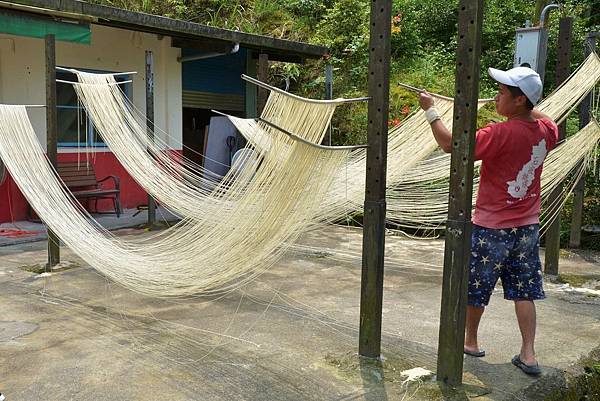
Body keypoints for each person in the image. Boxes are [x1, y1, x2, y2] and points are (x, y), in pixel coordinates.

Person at [419, 66, 559, 376]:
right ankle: (529, 354)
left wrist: (430, 111)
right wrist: (528, 107)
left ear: (520, 100)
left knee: (477, 287)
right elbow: (545, 118)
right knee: (525, 290)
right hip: (527, 227)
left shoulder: (499, 133)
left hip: (490, 228)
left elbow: (450, 144)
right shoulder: (547, 132)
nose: (496, 97)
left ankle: (470, 340)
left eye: (503, 93)